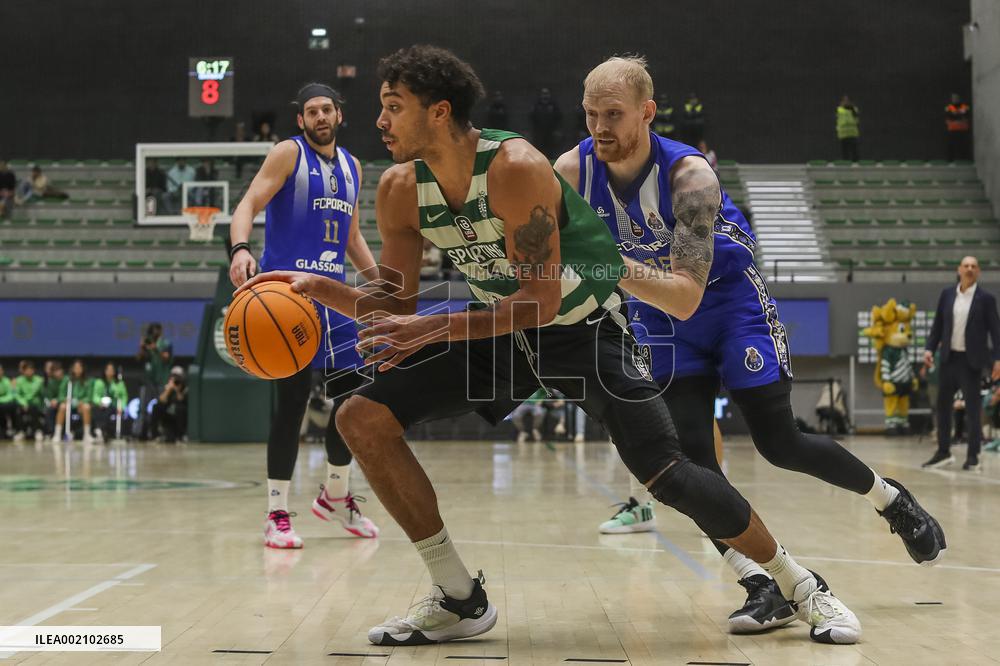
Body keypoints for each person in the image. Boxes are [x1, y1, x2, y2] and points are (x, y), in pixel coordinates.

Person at [239, 44, 863, 647]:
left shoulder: (514, 168)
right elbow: (397, 305)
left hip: (584, 329)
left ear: (439, 112)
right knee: (361, 418)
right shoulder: (400, 189)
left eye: (393, 105)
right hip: (501, 329)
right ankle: (458, 596)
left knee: (669, 476)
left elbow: (539, 302)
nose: (378, 120)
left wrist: (430, 327)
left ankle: (802, 586)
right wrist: (317, 289)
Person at [554, 55, 945, 634]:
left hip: (727, 302)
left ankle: (891, 499)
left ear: (648, 112)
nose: (599, 128)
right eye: (590, 114)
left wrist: (603, 265)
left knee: (779, 441)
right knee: (687, 465)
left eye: (614, 113)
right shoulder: (571, 170)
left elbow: (684, 289)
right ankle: (763, 582)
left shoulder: (690, 176)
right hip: (658, 313)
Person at [229, 82, 380, 548]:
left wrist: (379, 281)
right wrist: (239, 249)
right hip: (286, 297)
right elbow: (249, 203)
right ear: (301, 119)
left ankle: (336, 495)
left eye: (326, 110)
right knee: (292, 406)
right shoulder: (286, 154)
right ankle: (277, 512)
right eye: (311, 111)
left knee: (354, 403)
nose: (320, 117)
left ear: (339, 115)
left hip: (334, 298)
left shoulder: (354, 166)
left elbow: (351, 236)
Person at [922, 256, 1000, 472]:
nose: (969, 269)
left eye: (973, 266)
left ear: (979, 272)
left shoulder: (986, 299)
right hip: (948, 358)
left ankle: (973, 456)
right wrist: (929, 348)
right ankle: (943, 452)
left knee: (973, 410)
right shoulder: (947, 295)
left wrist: (998, 359)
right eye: (966, 266)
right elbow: (938, 325)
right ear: (959, 270)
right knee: (943, 407)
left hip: (971, 360)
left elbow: (996, 331)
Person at [136, 322, 172, 438]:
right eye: (152, 331)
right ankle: (141, 433)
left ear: (160, 331)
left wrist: (156, 349)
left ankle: (163, 433)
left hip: (162, 379)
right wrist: (142, 348)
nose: (153, 334)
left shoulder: (166, 343)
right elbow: (138, 359)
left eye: (156, 331)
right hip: (148, 381)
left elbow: (166, 358)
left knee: (162, 408)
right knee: (142, 408)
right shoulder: (148, 345)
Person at [52, 359, 94, 444]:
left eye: (79, 367)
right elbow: (61, 395)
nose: (78, 370)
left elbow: (89, 397)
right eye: (76, 368)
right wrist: (65, 400)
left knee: (87, 407)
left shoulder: (88, 381)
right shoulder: (67, 379)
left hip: (81, 405)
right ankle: (57, 434)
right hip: (69, 404)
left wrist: (81, 402)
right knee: (62, 407)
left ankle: (87, 434)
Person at [92, 362, 128, 442]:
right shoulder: (99, 382)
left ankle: (101, 430)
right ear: (104, 371)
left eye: (112, 370)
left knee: (108, 410)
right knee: (96, 410)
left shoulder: (119, 383)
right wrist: (99, 402)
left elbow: (124, 396)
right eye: (108, 370)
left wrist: (121, 407)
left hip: (114, 406)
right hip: (101, 405)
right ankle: (99, 431)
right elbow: (95, 396)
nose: (110, 372)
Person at [150, 366, 187, 443]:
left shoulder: (185, 388)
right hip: (168, 417)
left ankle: (180, 436)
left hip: (178, 419)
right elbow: (161, 400)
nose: (175, 380)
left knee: (180, 409)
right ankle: (155, 435)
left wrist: (177, 390)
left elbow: (181, 399)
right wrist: (169, 389)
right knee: (156, 407)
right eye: (173, 377)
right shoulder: (168, 387)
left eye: (177, 378)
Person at [12, 360, 44, 442]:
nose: (29, 371)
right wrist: (24, 403)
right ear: (23, 371)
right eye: (27, 370)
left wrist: (28, 402)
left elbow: (38, 394)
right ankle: (21, 431)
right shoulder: (18, 381)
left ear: (34, 370)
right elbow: (16, 394)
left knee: (34, 408)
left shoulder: (39, 380)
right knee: (16, 408)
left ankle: (37, 431)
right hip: (23, 404)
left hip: (35, 404)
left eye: (31, 369)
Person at [530, 87, 562, 158]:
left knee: (550, 148)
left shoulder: (553, 105)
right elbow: (532, 117)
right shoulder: (537, 105)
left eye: (546, 93)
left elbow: (558, 116)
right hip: (540, 131)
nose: (545, 95)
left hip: (550, 131)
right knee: (540, 147)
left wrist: (556, 129)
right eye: (543, 94)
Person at [42, 362, 67, 439]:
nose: (57, 373)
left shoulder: (67, 380)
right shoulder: (50, 381)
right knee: (49, 410)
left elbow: (64, 395)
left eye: (59, 370)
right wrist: (52, 400)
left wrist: (58, 400)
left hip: (66, 402)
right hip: (54, 404)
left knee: (62, 407)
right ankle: (51, 432)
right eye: (55, 371)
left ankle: (58, 433)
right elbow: (48, 395)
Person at [945, 93, 971, 162]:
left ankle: (965, 159)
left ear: (960, 98)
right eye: (953, 98)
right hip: (952, 130)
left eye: (956, 98)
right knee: (951, 145)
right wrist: (957, 115)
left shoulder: (965, 107)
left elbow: (966, 114)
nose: (955, 99)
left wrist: (957, 115)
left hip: (963, 130)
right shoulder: (949, 107)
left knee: (963, 145)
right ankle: (950, 160)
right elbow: (948, 116)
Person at [836, 95, 860, 162]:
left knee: (854, 152)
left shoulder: (854, 109)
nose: (846, 102)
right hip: (843, 134)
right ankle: (845, 165)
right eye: (844, 100)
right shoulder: (839, 110)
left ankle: (856, 165)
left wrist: (851, 109)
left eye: (847, 100)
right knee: (844, 153)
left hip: (852, 133)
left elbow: (857, 119)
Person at [0, 364, 16, 437]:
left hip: (4, 404)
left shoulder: (6, 381)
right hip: (2, 403)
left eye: (0, 370)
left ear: (3, 371)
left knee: (11, 406)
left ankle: (12, 429)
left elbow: (11, 395)